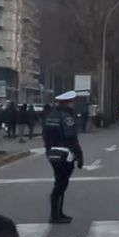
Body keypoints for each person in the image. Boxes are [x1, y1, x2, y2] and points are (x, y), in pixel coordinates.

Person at [43, 91, 84, 224]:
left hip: (52, 153)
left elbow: (45, 136)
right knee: (61, 185)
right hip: (65, 154)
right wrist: (80, 156)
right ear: (67, 102)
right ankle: (55, 215)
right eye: (72, 101)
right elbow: (71, 138)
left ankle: (58, 213)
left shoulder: (51, 116)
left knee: (58, 183)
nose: (73, 104)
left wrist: (48, 151)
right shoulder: (66, 118)